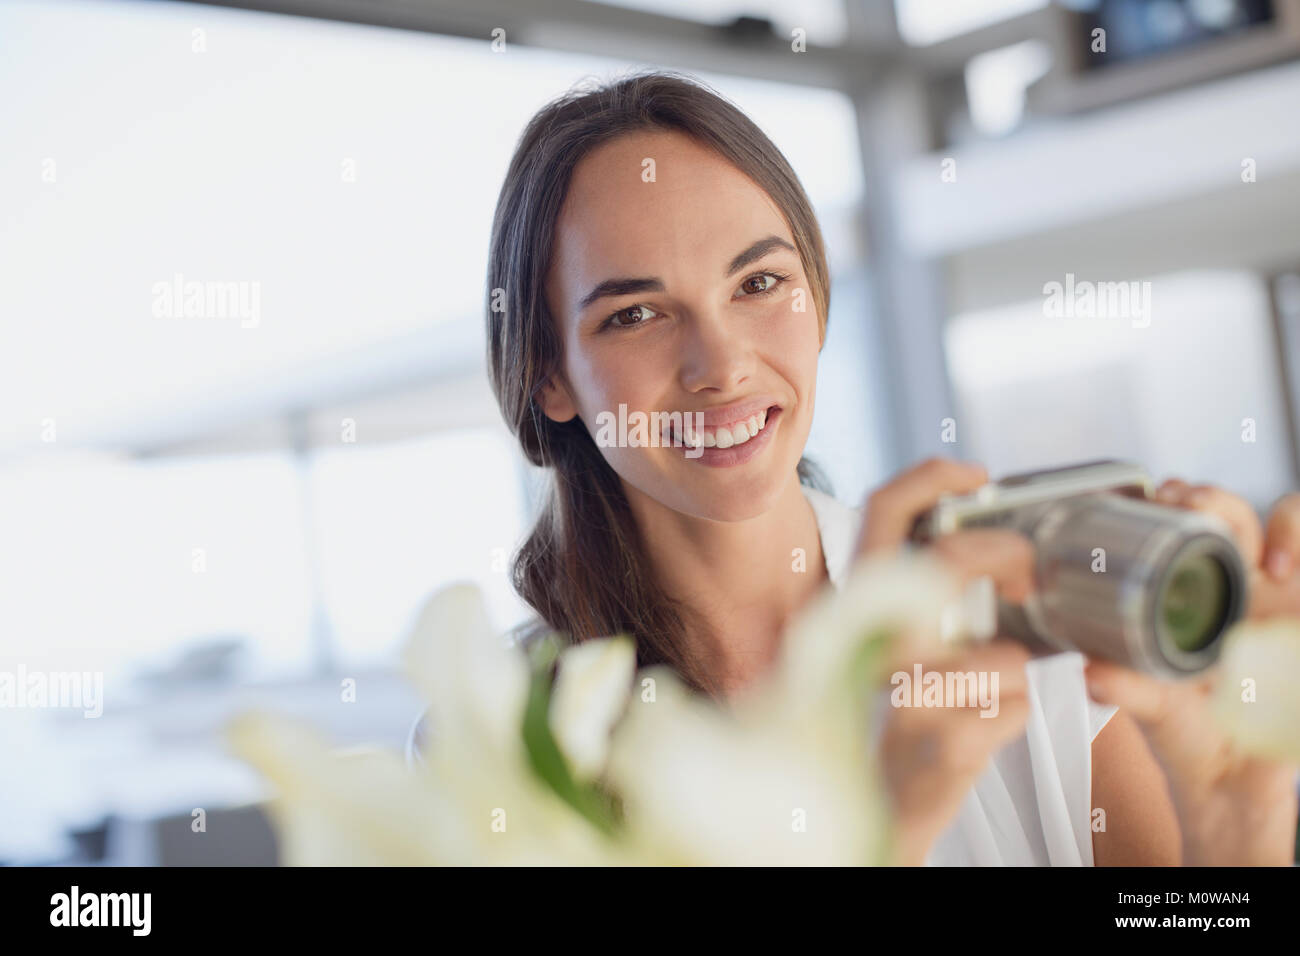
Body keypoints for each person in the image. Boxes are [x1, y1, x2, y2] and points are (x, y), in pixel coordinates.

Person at [417, 70, 1300, 865]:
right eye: (636, 314)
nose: (720, 365)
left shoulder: (1031, 614)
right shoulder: (491, 737)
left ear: (818, 299)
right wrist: (889, 828)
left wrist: (1243, 838)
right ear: (548, 374)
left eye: (758, 284)